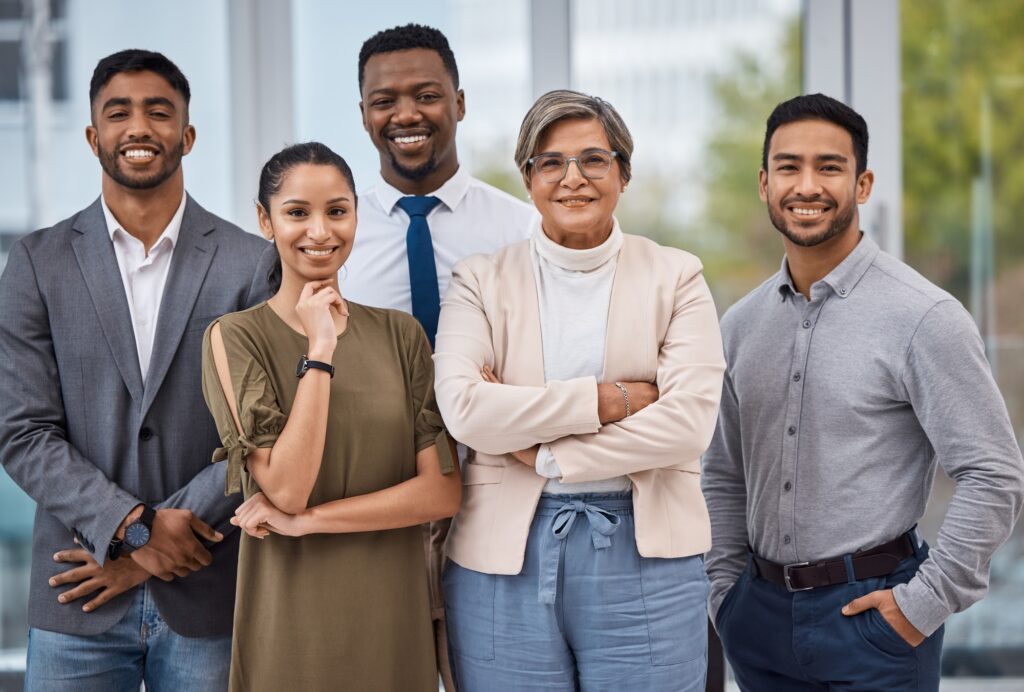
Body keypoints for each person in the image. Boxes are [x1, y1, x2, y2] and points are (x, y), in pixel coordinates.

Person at [702, 93, 1024, 691]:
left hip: (875, 620)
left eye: (830, 166)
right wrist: (726, 595)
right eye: (789, 166)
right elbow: (723, 473)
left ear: (863, 182)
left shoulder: (923, 315)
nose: (807, 185)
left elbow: (993, 473)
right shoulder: (740, 326)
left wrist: (921, 605)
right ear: (764, 183)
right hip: (758, 619)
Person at [0, 49, 274, 690]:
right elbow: (23, 430)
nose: (139, 127)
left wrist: (152, 553)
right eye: (118, 112)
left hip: (209, 590)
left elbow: (262, 430)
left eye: (159, 111)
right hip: (77, 589)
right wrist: (135, 527)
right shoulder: (38, 263)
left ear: (188, 133)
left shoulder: (250, 264)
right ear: (94, 135)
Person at [433, 89, 725, 690]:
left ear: (623, 171)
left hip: (648, 558)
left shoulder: (677, 276)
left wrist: (545, 454)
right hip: (501, 559)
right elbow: (465, 409)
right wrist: (607, 401)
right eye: (551, 162)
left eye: (594, 159)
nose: (574, 178)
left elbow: (688, 424)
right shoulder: (479, 280)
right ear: (528, 176)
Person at [202, 141, 462, 691]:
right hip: (290, 625)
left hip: (393, 619)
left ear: (355, 218)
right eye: (297, 212)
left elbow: (440, 493)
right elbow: (289, 488)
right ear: (264, 221)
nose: (319, 231)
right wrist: (320, 350)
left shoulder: (400, 335)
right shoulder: (235, 337)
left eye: (336, 211)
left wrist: (311, 522)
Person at [346, 24, 536, 686]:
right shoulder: (334, 237)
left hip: (496, 501)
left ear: (459, 101)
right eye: (384, 99)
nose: (405, 114)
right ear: (364, 113)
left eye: (426, 94)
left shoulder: (520, 230)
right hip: (377, 507)